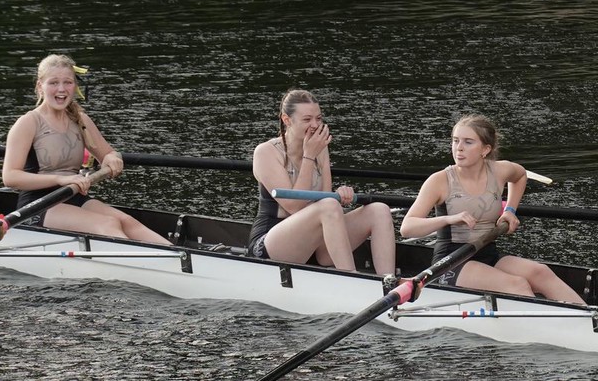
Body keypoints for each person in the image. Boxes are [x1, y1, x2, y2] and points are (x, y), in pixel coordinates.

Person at [400, 114, 585, 304]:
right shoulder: (439, 181)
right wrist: (449, 219)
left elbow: (520, 175)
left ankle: (590, 318)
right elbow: (407, 228)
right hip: (451, 263)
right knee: (517, 285)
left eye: (468, 142)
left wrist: (510, 210)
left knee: (540, 272)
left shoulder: (499, 170)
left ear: (485, 149)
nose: (459, 148)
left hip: (488, 253)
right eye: (455, 141)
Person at [1, 54, 171, 246]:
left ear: (75, 86)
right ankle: (142, 262)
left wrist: (112, 158)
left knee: (127, 222)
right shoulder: (28, 123)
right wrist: (60, 179)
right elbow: (10, 177)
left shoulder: (80, 120)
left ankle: (177, 255)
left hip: (74, 195)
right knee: (107, 224)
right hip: (38, 205)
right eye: (54, 83)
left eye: (68, 82)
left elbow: (108, 153)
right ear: (40, 86)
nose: (61, 89)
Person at [247, 89, 396, 276]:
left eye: (318, 118)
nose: (315, 125)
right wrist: (309, 156)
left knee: (379, 210)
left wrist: (341, 195)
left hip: (316, 244)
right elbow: (294, 207)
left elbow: (328, 202)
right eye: (307, 119)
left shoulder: (321, 149)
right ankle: (351, 277)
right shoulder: (266, 152)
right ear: (287, 120)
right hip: (272, 243)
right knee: (328, 206)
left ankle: (388, 282)